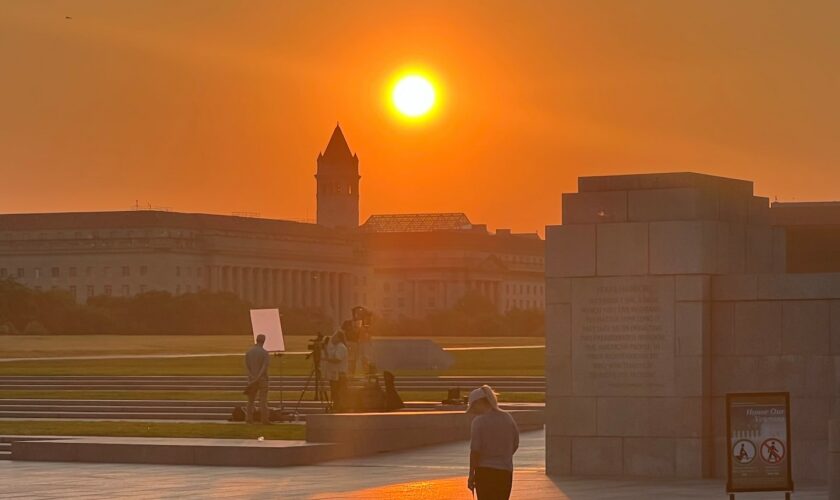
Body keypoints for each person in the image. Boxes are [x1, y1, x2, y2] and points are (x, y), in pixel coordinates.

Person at [467, 385, 519, 500]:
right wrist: (503, 456)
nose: (474, 412)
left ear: (480, 402)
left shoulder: (479, 421)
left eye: (474, 407)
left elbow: (475, 451)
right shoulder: (507, 418)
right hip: (505, 472)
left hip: (485, 472)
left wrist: (471, 475)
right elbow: (515, 443)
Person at [244, 334, 271, 424]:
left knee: (250, 400)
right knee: (263, 400)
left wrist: (252, 376)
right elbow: (264, 367)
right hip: (262, 378)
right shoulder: (264, 353)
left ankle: (248, 418)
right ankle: (264, 419)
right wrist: (258, 376)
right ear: (263, 341)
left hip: (251, 378)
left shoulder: (249, 352)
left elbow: (247, 366)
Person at [325, 331, 349, 409]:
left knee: (337, 393)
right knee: (334, 393)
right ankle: (336, 407)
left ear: (339, 338)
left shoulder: (341, 347)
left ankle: (338, 408)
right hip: (335, 375)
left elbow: (337, 359)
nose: (332, 339)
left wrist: (326, 359)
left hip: (339, 375)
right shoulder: (336, 347)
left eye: (334, 337)